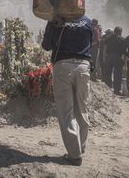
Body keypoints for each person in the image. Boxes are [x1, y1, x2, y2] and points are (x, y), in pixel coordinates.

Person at [42, 15, 93, 166]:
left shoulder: (56, 20)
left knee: (66, 112)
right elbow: (92, 44)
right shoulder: (88, 22)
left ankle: (75, 155)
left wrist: (51, 25)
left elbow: (46, 45)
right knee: (82, 109)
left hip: (63, 66)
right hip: (84, 66)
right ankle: (80, 148)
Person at [104, 26, 126, 95]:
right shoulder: (122, 39)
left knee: (108, 72)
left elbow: (105, 47)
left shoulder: (109, 38)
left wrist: (105, 56)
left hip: (109, 56)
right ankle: (116, 90)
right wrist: (123, 59)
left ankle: (107, 87)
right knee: (117, 74)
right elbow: (124, 51)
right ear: (120, 32)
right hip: (117, 57)